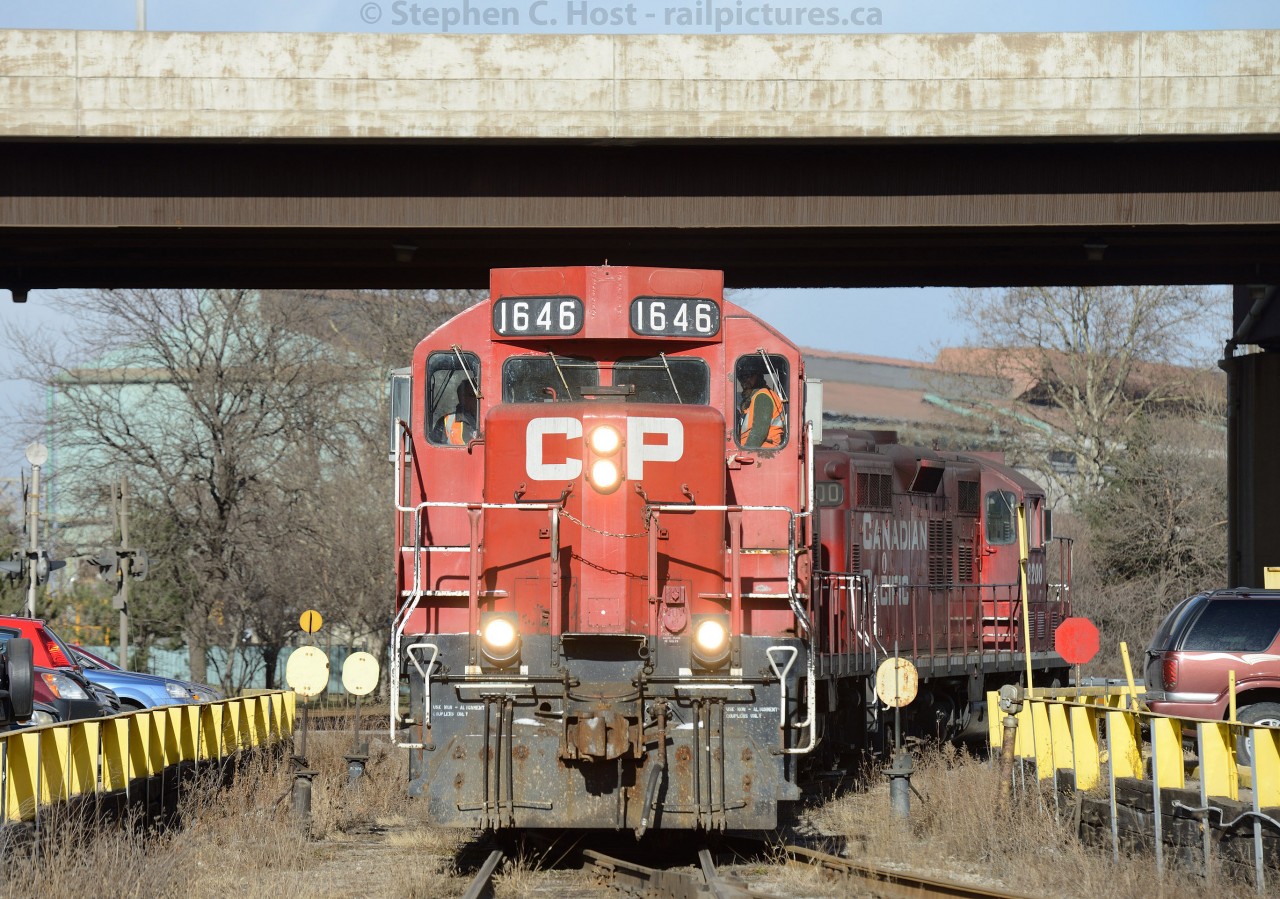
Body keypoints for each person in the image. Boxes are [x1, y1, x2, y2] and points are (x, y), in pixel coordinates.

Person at [737, 360, 784, 448]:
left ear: (757, 376)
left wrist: (746, 453)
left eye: (749, 376)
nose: (745, 380)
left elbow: (758, 433)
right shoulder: (753, 398)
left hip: (763, 452)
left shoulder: (762, 397)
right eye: (741, 377)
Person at [441, 380, 479, 445]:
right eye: (473, 394)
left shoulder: (490, 419)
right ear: (461, 398)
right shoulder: (446, 421)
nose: (477, 398)